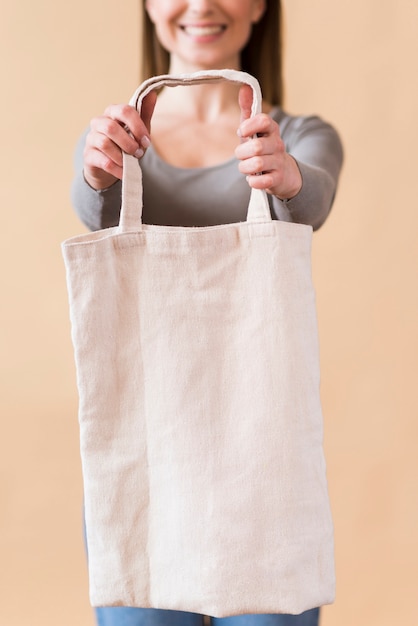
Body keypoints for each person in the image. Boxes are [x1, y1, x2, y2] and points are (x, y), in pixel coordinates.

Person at [71, 1, 343, 625]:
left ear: (260, 6)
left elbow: (314, 200)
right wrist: (98, 171)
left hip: (263, 463)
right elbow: (93, 210)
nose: (201, 4)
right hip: (146, 460)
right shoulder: (113, 138)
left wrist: (288, 178)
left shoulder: (299, 135)